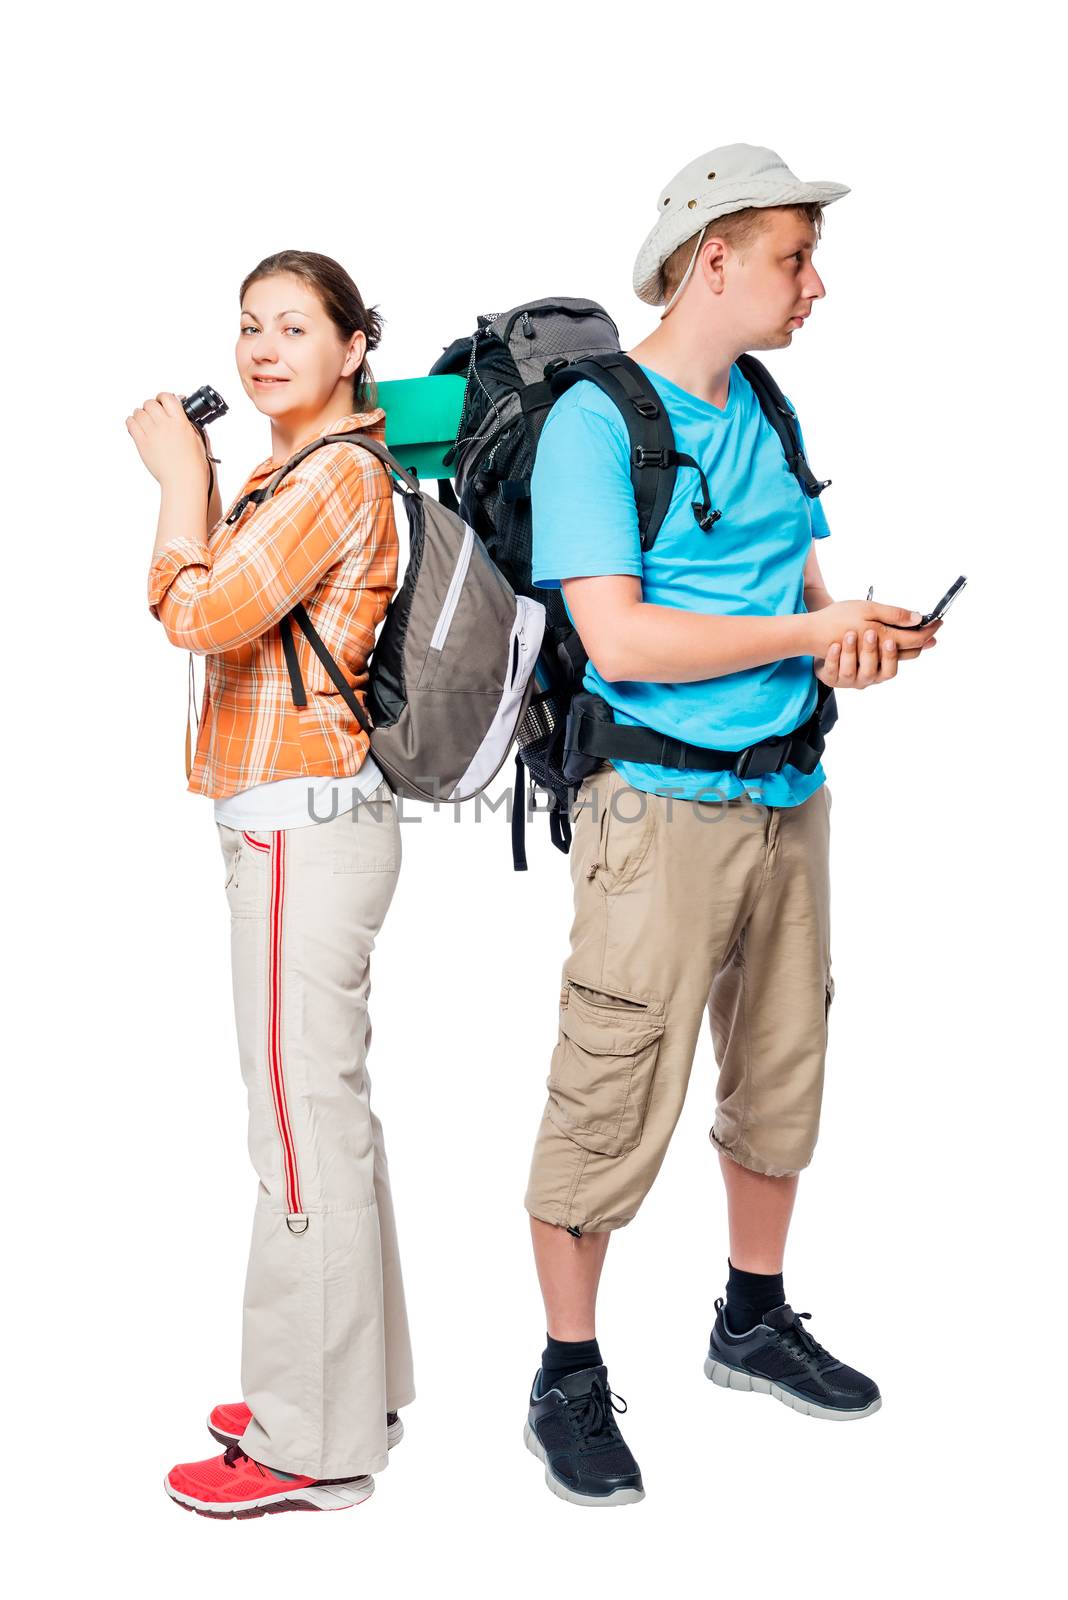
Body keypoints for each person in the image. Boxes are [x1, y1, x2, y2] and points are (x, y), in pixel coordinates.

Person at [522, 146, 942, 1506]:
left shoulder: (764, 400)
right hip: (655, 809)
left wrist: (854, 639)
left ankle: (751, 1319)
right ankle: (567, 1378)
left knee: (780, 1063)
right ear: (714, 259)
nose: (813, 286)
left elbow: (798, 587)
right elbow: (621, 637)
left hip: (787, 796)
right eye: (794, 258)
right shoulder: (594, 422)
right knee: (612, 1079)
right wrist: (811, 627)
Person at [128, 250, 414, 1519]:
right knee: (327, 1118)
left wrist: (178, 484)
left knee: (296, 1134)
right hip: (296, 823)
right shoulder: (300, 469)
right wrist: (207, 489)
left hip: (302, 831)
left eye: (294, 326)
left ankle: (310, 1445)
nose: (260, 348)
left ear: (355, 348)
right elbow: (216, 611)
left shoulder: (334, 474)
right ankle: (353, 1388)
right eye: (249, 325)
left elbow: (202, 612)